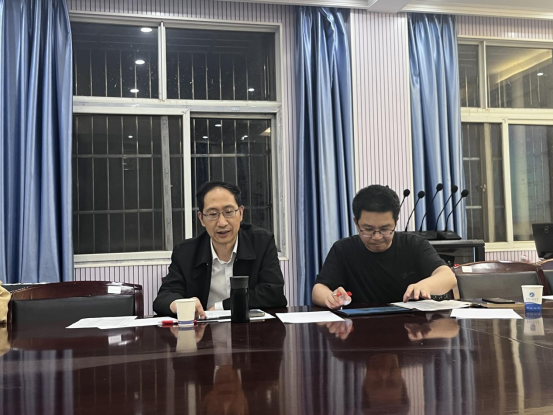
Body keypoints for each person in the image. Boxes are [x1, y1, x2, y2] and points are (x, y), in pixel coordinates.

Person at [153, 181, 287, 318]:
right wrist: (179, 304)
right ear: (201, 219)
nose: (222, 223)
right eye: (213, 214)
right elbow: (164, 297)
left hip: (250, 328)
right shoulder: (185, 253)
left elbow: (274, 293)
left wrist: (221, 307)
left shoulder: (261, 243)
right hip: (203, 328)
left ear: (240, 213)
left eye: (228, 212)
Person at [312, 184, 457, 309]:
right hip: (358, 326)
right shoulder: (343, 249)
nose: (377, 237)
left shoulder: (414, 245)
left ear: (396, 222)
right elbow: (319, 289)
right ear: (356, 223)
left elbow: (448, 276)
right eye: (368, 229)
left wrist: (425, 285)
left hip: (411, 326)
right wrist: (329, 297)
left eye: (385, 229)